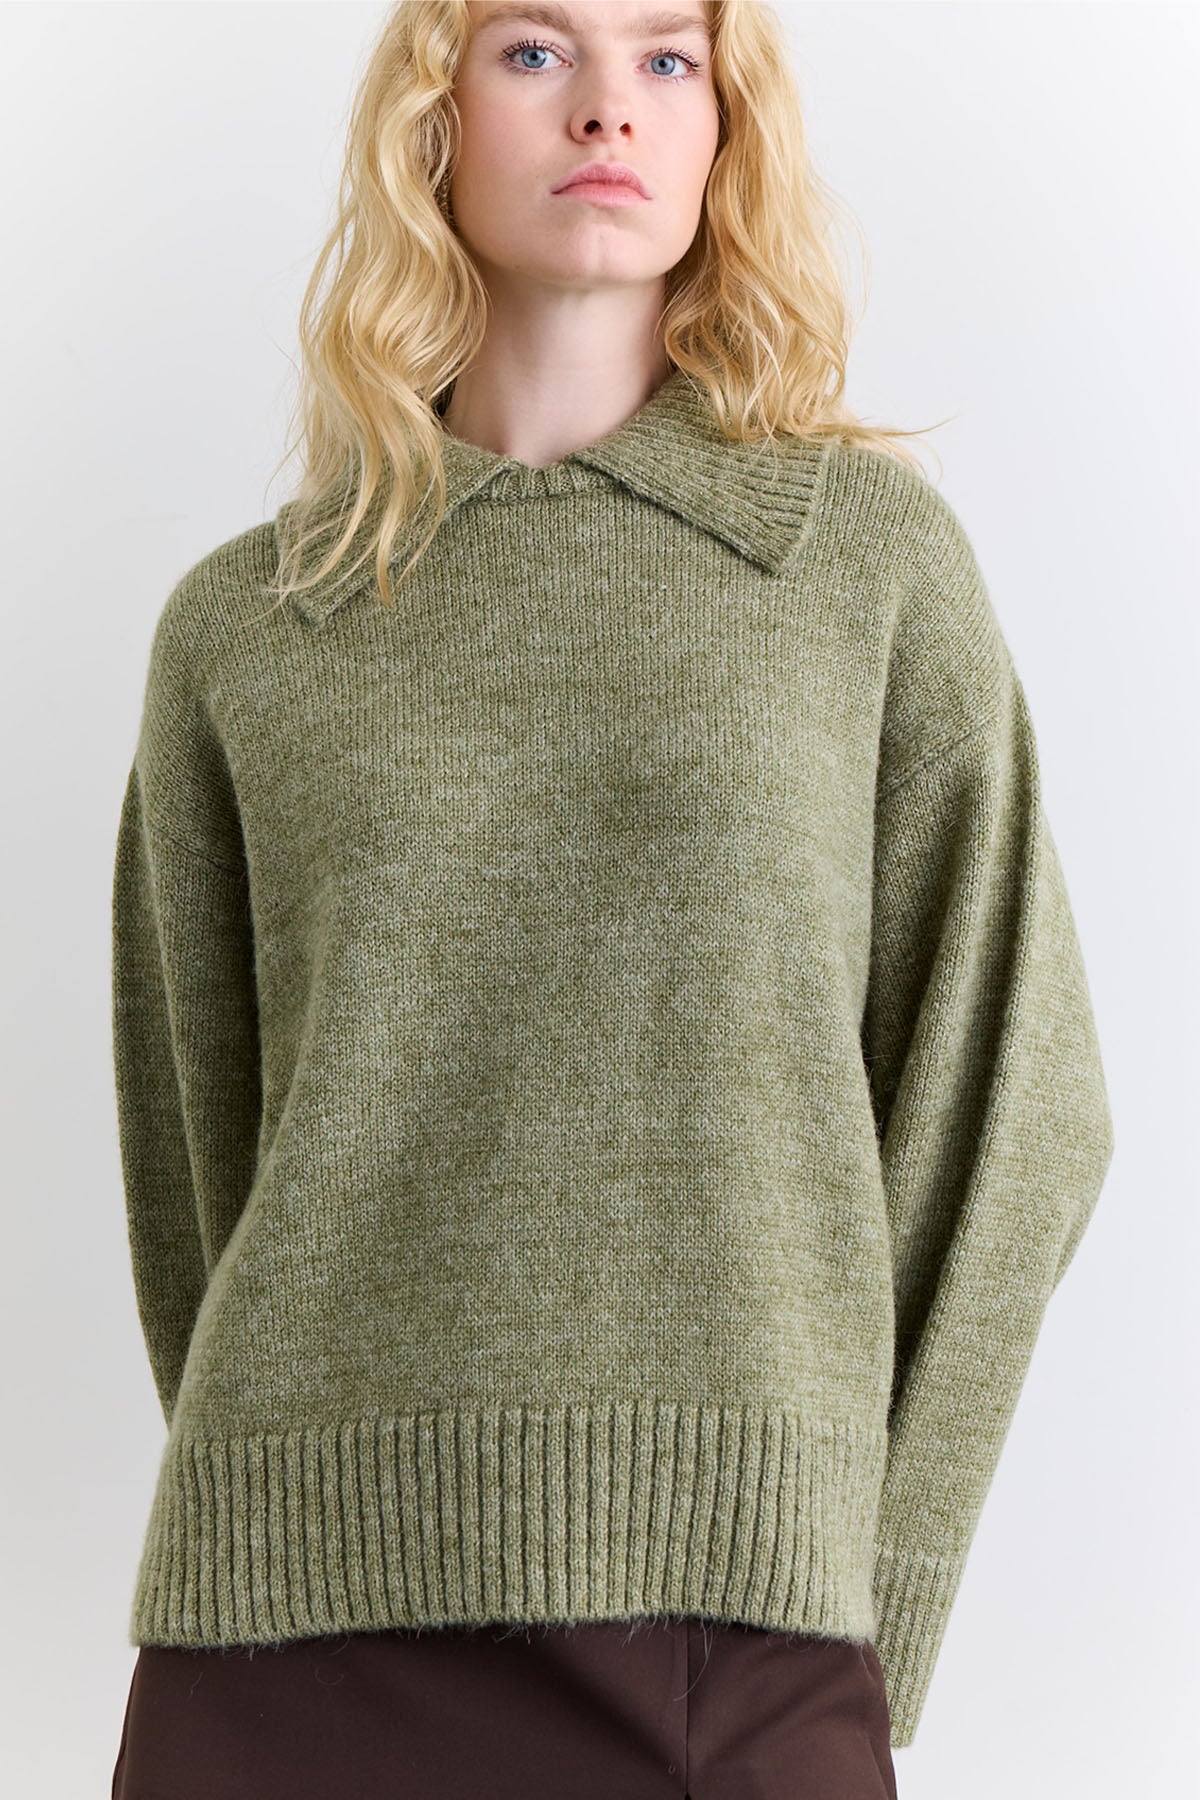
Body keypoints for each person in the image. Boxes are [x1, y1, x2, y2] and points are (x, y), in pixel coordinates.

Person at [108, 2, 1114, 1795]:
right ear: (432, 118)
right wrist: (302, 1496)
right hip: (286, 1642)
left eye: (667, 59)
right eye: (532, 51)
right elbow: (196, 1145)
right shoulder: (248, 628)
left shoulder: (859, 565)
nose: (606, 111)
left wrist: (872, 1587)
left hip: (744, 1636)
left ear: (728, 127)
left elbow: (1018, 1111)